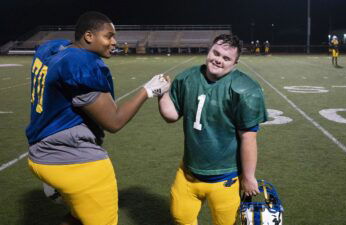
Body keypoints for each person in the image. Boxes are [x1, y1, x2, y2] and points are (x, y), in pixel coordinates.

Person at [26, 11, 170, 225]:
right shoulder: (81, 63)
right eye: (108, 36)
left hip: (40, 150)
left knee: (78, 216)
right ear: (89, 36)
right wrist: (147, 91)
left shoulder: (53, 49)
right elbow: (114, 122)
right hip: (72, 158)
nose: (114, 42)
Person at [158, 34, 268, 225]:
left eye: (226, 58)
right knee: (180, 217)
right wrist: (162, 94)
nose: (218, 60)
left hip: (226, 178)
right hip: (188, 173)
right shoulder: (187, 78)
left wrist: (249, 177)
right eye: (216, 53)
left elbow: (248, 138)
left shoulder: (245, 89)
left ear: (235, 63)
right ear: (209, 51)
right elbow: (172, 115)